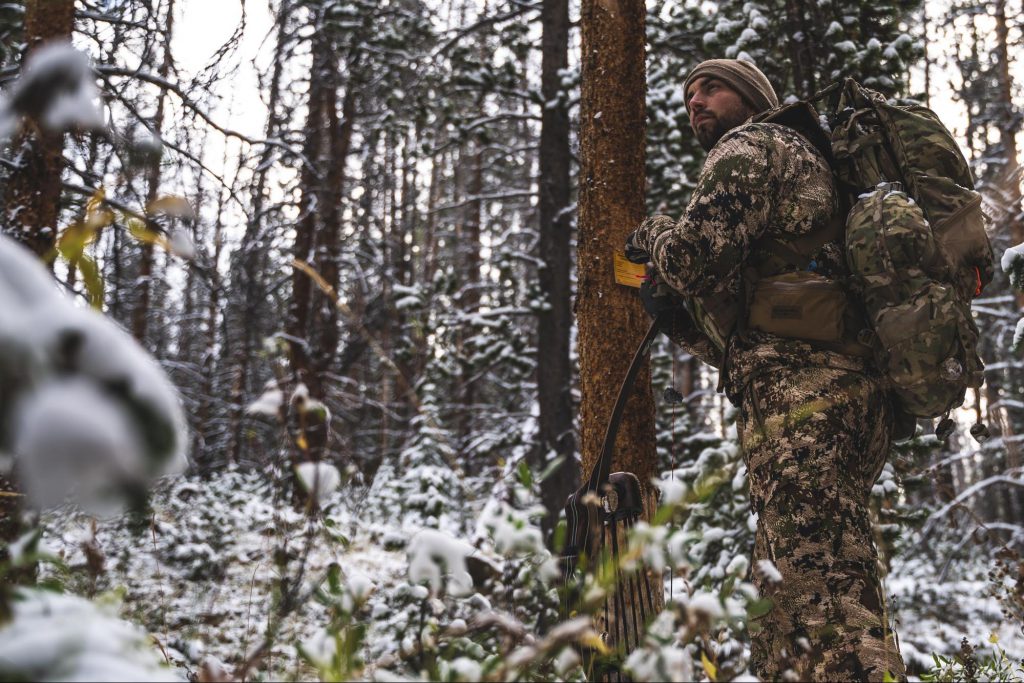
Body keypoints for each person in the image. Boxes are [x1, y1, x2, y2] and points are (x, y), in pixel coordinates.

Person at [625, 59, 907, 681]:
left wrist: (655, 233)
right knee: (784, 608)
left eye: (712, 88)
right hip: (825, 393)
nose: (695, 101)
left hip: (807, 404)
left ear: (752, 98)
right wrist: (680, 319)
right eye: (688, 93)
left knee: (827, 599)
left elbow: (692, 258)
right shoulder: (807, 165)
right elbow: (760, 333)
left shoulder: (753, 144)